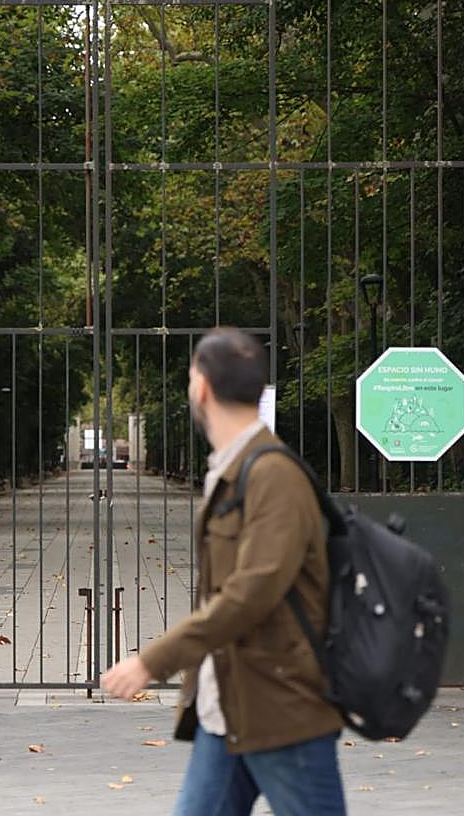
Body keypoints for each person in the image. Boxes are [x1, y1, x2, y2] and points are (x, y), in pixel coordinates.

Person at [101, 327, 346, 816]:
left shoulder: (273, 475)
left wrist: (153, 661)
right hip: (226, 705)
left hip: (280, 709)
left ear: (202, 387)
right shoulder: (234, 468)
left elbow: (252, 592)